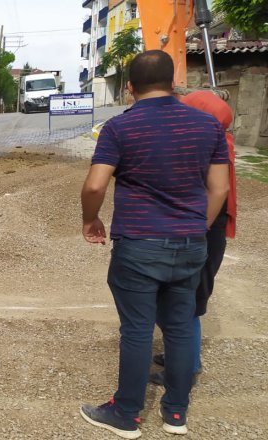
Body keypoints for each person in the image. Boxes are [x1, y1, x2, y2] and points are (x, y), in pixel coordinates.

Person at [78, 50, 229, 439]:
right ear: (174, 83)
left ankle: (126, 414)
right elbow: (220, 188)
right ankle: (176, 414)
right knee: (179, 327)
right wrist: (196, 227)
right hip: (191, 242)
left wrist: (90, 218)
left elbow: (95, 184)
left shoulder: (119, 128)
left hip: (139, 245)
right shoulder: (208, 126)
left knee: (138, 330)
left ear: (129, 88)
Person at [150, 90, 238, 385]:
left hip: (201, 232)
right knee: (182, 301)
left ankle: (186, 366)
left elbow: (213, 193)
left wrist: (193, 233)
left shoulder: (207, 147)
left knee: (185, 304)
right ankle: (183, 355)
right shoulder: (219, 141)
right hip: (205, 231)